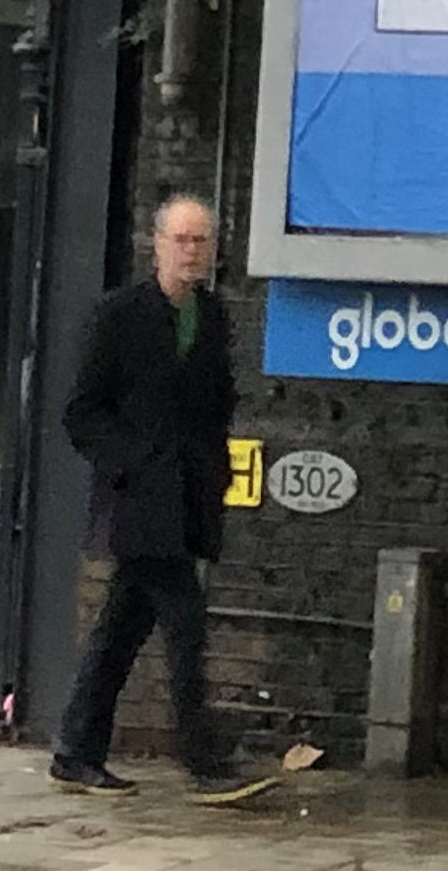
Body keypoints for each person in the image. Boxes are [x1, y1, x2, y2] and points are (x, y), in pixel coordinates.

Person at [48, 195, 277, 804]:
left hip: (190, 498)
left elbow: (216, 404)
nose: (191, 251)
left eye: (201, 241)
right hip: (139, 502)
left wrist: (217, 472)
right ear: (157, 244)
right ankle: (203, 759)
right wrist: (135, 460)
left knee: (121, 628)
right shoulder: (118, 316)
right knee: (185, 621)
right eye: (181, 239)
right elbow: (81, 413)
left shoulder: (212, 318)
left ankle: (76, 750)